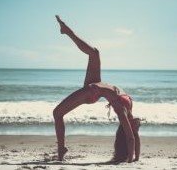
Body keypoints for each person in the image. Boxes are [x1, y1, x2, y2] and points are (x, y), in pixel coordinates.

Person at [53, 15, 140, 163]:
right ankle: (67, 31)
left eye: (134, 126)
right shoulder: (129, 107)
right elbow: (134, 137)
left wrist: (130, 160)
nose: (138, 123)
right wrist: (136, 157)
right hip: (97, 84)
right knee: (95, 53)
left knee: (57, 113)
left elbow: (131, 138)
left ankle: (61, 149)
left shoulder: (122, 110)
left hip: (92, 92)